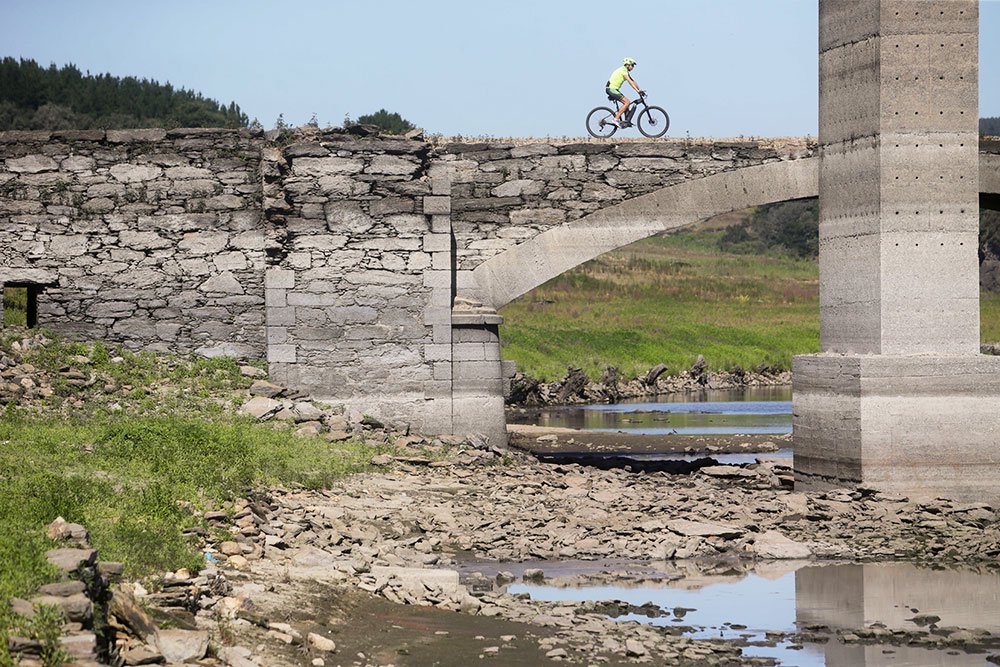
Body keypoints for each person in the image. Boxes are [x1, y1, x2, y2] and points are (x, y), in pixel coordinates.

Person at [606, 57, 644, 127]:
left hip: (614, 89)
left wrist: (640, 89)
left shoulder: (625, 71)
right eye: (632, 65)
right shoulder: (623, 71)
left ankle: (626, 121)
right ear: (627, 65)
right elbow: (630, 82)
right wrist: (637, 91)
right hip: (611, 89)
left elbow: (633, 81)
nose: (633, 67)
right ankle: (615, 119)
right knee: (627, 102)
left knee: (627, 103)